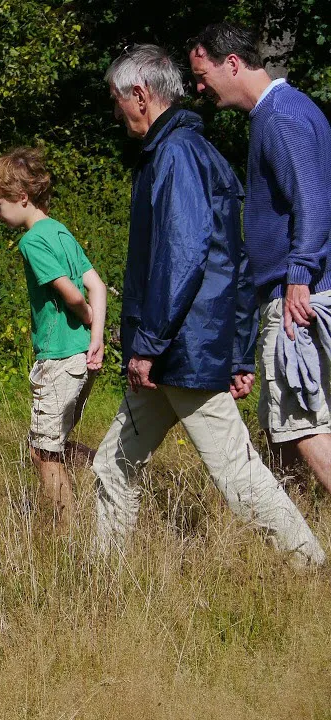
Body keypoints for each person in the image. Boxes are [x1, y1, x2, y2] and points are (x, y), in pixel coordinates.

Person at [93, 44, 324, 565]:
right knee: (112, 464)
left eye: (117, 100)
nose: (116, 113)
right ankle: (101, 584)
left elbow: (182, 257)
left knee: (233, 469)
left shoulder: (176, 155)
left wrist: (148, 344)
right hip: (181, 349)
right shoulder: (192, 152)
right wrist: (240, 353)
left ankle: (306, 559)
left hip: (180, 352)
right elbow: (235, 265)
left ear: (140, 94)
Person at [187, 22, 331, 496]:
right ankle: (295, 532)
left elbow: (312, 199)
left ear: (232, 63)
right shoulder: (286, 111)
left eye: (203, 73)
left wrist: (299, 273)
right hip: (296, 289)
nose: (199, 86)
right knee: (284, 421)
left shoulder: (280, 116)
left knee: (298, 420)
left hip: (298, 296)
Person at [0, 147, 107, 528]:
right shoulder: (61, 232)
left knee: (42, 452)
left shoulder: (33, 240)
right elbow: (97, 285)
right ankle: (105, 469)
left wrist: (82, 316)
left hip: (58, 358)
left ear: (22, 197)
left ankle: (61, 532)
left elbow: (73, 294)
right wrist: (95, 336)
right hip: (83, 355)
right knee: (58, 443)